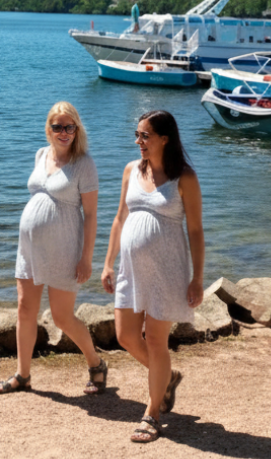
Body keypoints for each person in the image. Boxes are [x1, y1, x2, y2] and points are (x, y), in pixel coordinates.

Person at [101, 110, 204, 443]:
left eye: (145, 135)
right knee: (126, 336)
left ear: (165, 139)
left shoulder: (184, 177)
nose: (138, 141)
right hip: (131, 270)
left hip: (168, 270)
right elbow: (119, 218)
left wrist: (197, 277)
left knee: (157, 341)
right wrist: (107, 263)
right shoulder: (131, 169)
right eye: (137, 134)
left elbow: (196, 230)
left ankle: (152, 413)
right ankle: (167, 378)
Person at [0, 102, 106, 395]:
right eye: (57, 126)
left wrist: (86, 258)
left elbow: (91, 214)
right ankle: (23, 375)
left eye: (69, 127)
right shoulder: (41, 154)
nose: (63, 132)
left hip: (65, 250)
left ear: (77, 129)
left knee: (62, 317)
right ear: (49, 129)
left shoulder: (84, 164)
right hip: (29, 248)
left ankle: (96, 364)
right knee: (24, 309)